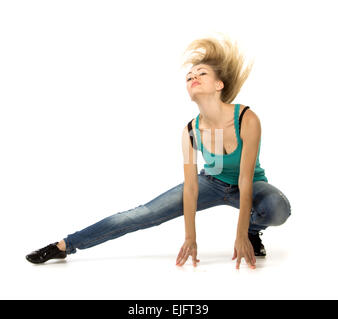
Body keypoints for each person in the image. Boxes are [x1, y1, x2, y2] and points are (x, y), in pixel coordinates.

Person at [26, 34, 291, 269]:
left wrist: (241, 234)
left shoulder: (246, 118)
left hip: (251, 184)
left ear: (219, 85)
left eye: (201, 74)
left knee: (277, 207)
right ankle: (64, 246)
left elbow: (245, 180)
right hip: (211, 181)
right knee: (144, 214)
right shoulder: (190, 131)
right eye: (189, 77)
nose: (193, 78)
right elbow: (190, 188)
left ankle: (254, 231)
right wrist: (190, 238)